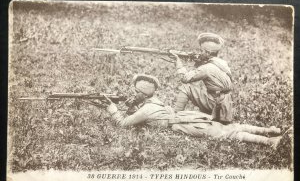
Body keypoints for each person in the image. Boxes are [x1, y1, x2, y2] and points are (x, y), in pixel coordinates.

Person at [88, 74, 283, 149]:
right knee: (232, 126)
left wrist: (111, 108)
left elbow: (123, 123)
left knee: (227, 133)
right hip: (188, 116)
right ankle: (269, 129)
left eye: (136, 92)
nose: (133, 94)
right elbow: (139, 111)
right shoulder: (155, 102)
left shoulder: (147, 109)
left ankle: (269, 140)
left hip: (186, 124)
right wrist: (130, 106)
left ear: (142, 94)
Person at [171, 33, 233, 124]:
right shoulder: (222, 63)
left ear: (207, 52)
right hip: (226, 104)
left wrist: (179, 65)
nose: (199, 53)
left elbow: (184, 78)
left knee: (187, 87)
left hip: (216, 104)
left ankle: (175, 115)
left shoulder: (206, 68)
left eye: (201, 51)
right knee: (200, 86)